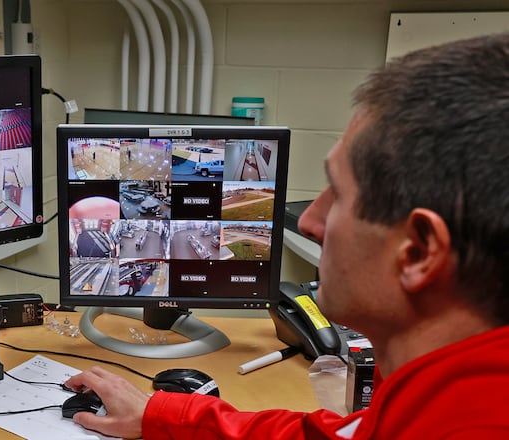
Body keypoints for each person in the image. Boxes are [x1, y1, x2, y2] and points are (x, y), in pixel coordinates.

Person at [65, 33, 509, 439]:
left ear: (419, 253)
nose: (311, 222)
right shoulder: (446, 404)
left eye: (338, 193)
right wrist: (160, 414)